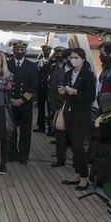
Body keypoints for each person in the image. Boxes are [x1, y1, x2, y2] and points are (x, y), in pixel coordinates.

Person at [60, 48, 97, 191]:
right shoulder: (69, 74)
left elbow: (90, 97)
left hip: (82, 113)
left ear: (82, 59)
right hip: (70, 111)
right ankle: (77, 173)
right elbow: (67, 94)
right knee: (72, 142)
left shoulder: (88, 75)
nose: (73, 60)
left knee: (78, 144)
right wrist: (64, 92)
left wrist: (75, 92)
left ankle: (84, 177)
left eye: (76, 57)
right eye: (71, 57)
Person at [7, 41, 37, 164]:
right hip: (11, 102)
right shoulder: (8, 65)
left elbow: (33, 86)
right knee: (11, 130)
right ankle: (12, 154)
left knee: (25, 131)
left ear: (25, 51)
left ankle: (23, 156)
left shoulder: (32, 66)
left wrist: (22, 99)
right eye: (17, 50)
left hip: (25, 103)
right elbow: (5, 82)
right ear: (13, 51)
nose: (19, 52)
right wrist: (10, 99)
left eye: (22, 50)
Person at [48, 47, 71, 167]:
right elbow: (52, 92)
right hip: (60, 108)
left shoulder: (84, 73)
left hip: (75, 109)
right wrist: (53, 108)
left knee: (75, 137)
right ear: (66, 59)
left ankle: (76, 160)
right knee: (60, 136)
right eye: (71, 57)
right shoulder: (57, 73)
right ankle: (60, 159)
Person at [35, 45, 53, 133]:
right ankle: (41, 126)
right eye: (44, 52)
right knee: (41, 108)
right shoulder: (39, 62)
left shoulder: (53, 62)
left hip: (49, 89)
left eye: (47, 52)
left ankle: (50, 128)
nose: (46, 53)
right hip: (41, 88)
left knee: (50, 108)